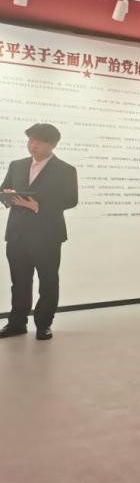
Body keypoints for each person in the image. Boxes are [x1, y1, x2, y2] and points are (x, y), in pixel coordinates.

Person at [0, 123, 78, 340]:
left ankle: (44, 324)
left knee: (48, 281)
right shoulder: (17, 165)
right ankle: (17, 323)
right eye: (30, 140)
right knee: (19, 281)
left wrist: (38, 206)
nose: (32, 145)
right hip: (17, 234)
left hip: (47, 235)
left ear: (52, 145)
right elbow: (3, 189)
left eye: (39, 142)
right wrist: (7, 196)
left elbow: (71, 200)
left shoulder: (65, 170)